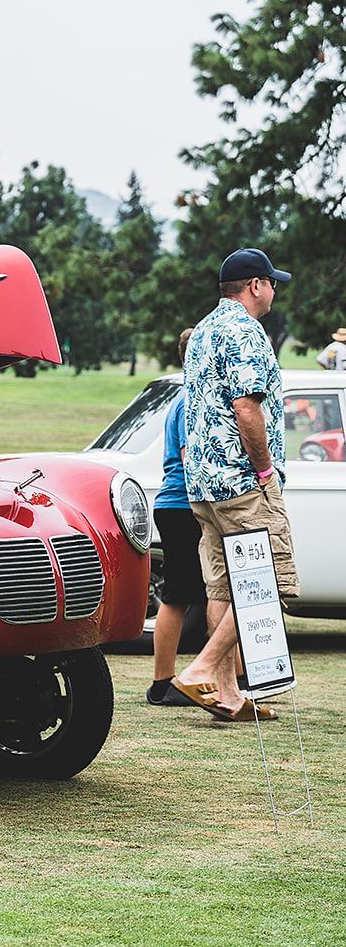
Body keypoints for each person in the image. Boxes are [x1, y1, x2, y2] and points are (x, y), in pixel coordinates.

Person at [172, 248, 298, 721]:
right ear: (255, 286)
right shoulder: (246, 332)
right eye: (271, 282)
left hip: (204, 483)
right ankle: (201, 669)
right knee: (269, 583)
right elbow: (247, 407)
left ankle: (227, 696)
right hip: (243, 481)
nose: (274, 290)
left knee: (223, 588)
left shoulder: (203, 330)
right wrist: (264, 471)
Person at [146, 328, 207, 707]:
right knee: (178, 596)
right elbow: (191, 459)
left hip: (180, 506)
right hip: (184, 506)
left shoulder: (191, 396)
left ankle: (234, 676)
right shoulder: (192, 401)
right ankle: (162, 683)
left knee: (210, 593)